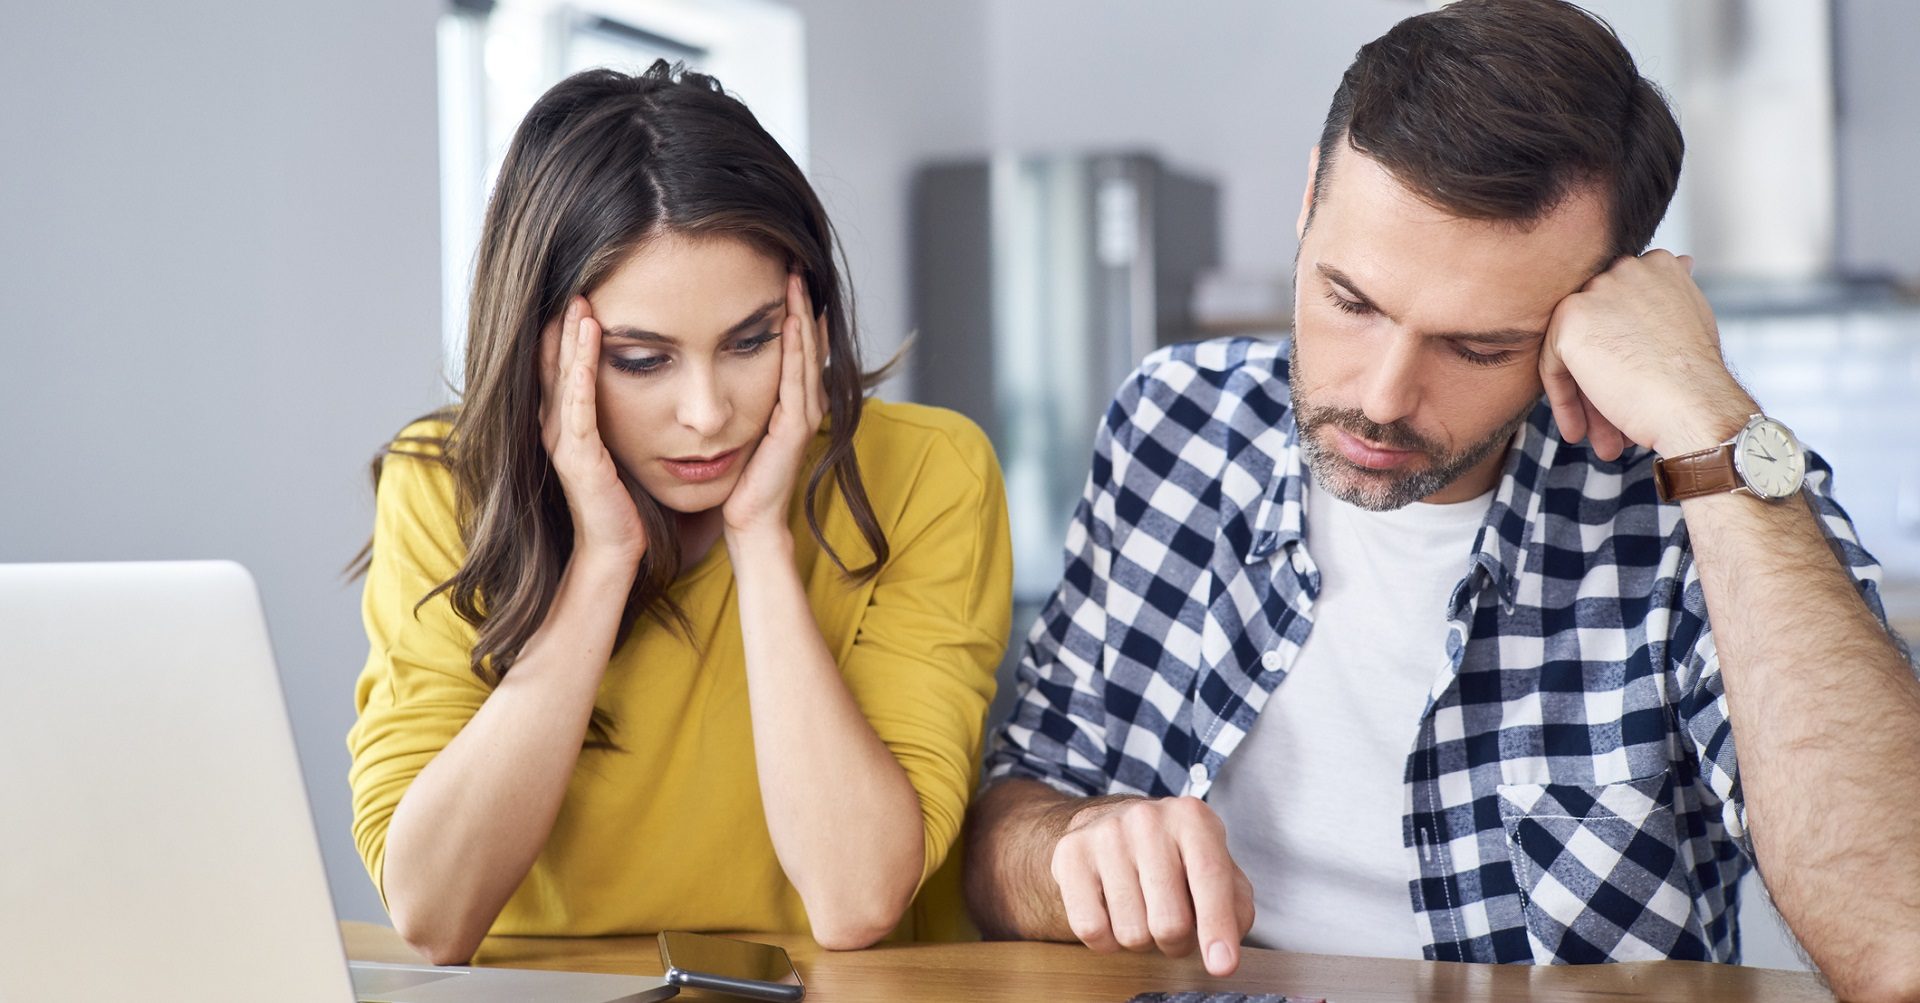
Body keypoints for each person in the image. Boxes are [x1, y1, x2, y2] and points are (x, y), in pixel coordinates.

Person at [963, 2, 1920, 998]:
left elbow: (1900, 940)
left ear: (1595, 308)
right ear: (1307, 203)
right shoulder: (1176, 422)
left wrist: (1705, 412)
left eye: (1478, 347)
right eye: (1351, 301)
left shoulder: (1692, 502)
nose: (1381, 397)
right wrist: (1072, 846)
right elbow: (1009, 822)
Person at [347, 62, 1011, 965]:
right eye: (640, 359)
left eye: (749, 342)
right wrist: (600, 564)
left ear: (806, 313)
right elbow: (432, 909)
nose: (706, 413)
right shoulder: (445, 483)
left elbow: (856, 897)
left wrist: (761, 542)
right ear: (547, 350)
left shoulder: (928, 472)